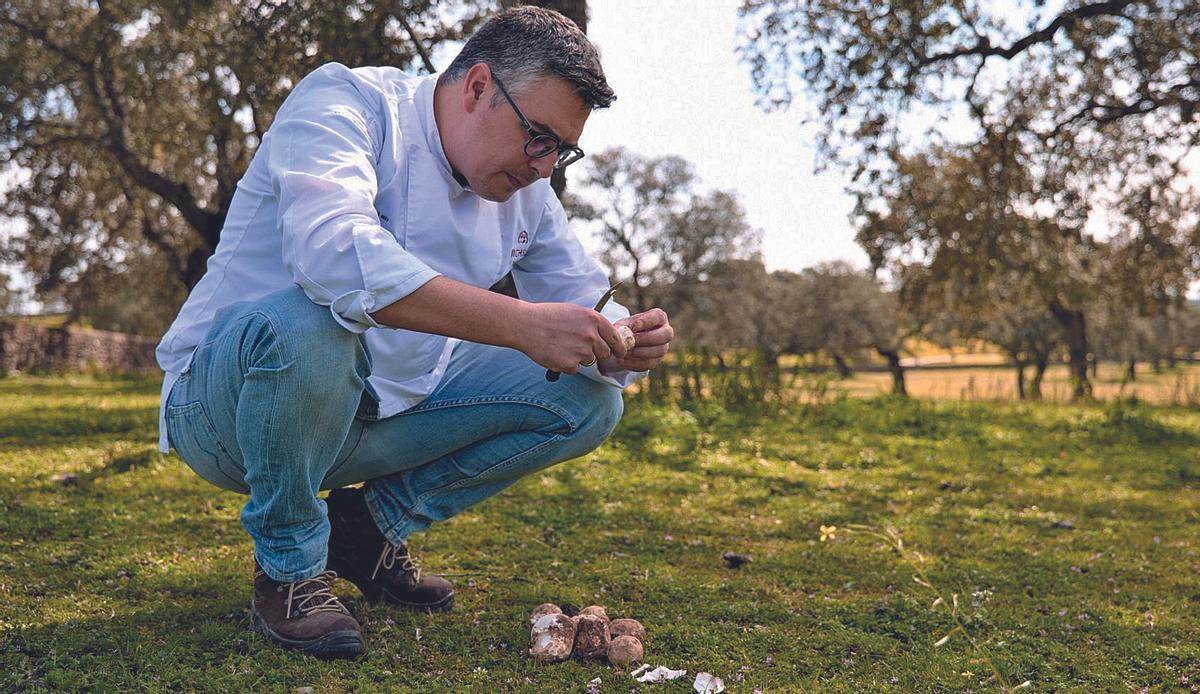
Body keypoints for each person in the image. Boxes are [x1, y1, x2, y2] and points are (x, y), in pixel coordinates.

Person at [154, 6, 672, 659]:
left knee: (591, 397)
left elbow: (580, 293)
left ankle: (366, 530)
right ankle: (288, 573)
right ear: (478, 86)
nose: (545, 167)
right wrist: (518, 323)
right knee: (315, 317)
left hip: (379, 417)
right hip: (229, 411)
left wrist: (625, 336)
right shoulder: (348, 101)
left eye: (562, 150)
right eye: (539, 137)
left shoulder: (525, 188)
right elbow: (333, 253)